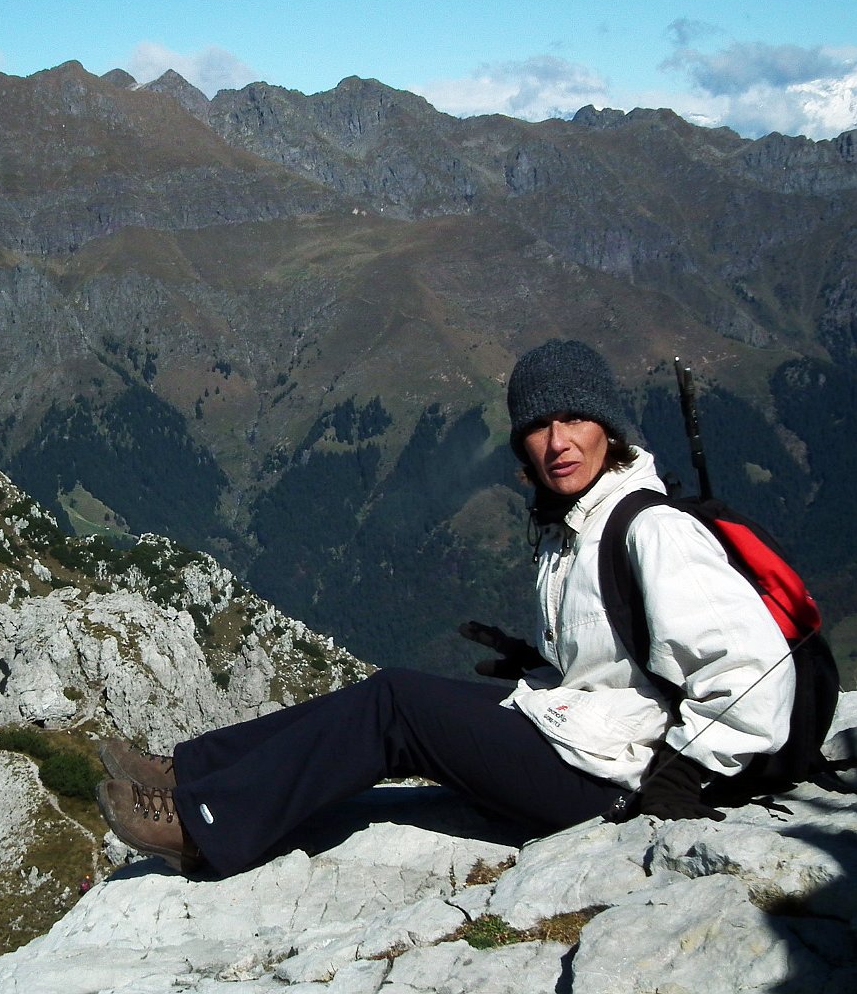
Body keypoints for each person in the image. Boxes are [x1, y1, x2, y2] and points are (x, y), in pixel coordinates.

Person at [95, 339, 796, 878]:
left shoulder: (652, 528)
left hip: (616, 783)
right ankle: (190, 771)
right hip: (587, 742)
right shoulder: (572, 525)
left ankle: (205, 825)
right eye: (539, 425)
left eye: (575, 418)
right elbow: (626, 659)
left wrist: (683, 774)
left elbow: (759, 673)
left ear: (607, 427)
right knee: (385, 693)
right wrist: (541, 660)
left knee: (396, 704)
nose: (557, 442)